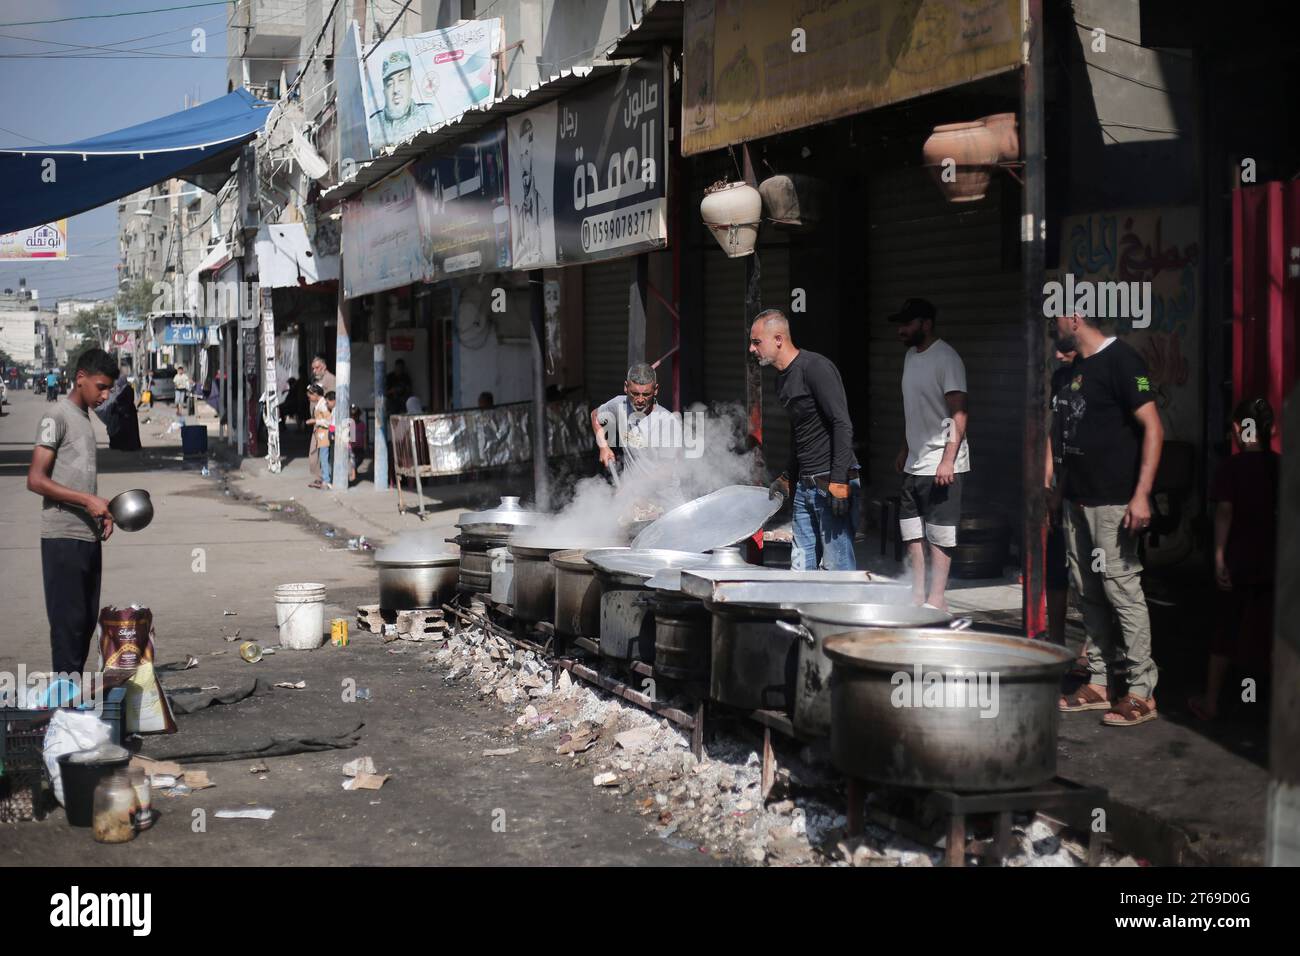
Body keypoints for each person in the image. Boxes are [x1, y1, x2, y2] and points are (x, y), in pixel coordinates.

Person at [1053, 309, 1164, 727]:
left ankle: (1141, 691)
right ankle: (1100, 682)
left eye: (1055, 317)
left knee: (1122, 590)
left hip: (1115, 501)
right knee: (1089, 593)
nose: (1052, 326)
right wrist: (1058, 491)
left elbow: (1153, 426)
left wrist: (1142, 495)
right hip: (1076, 502)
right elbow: (1063, 433)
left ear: (1076, 317)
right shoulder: (1074, 370)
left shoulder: (1123, 361)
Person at [27, 348, 119, 675]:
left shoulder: (83, 420)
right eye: (100, 386)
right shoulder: (58, 416)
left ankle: (72, 709)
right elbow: (35, 479)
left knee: (82, 627)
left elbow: (78, 482)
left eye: (109, 388)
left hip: (86, 537)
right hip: (62, 539)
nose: (105, 395)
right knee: (67, 631)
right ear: (81, 379)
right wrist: (86, 501)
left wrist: (100, 511)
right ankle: (64, 715)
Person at [1188, 398, 1279, 721]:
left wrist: (1218, 556)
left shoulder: (1231, 468)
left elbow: (1225, 512)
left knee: (1227, 630)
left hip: (1240, 560)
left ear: (1239, 429)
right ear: (1272, 429)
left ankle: (1212, 702)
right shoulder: (1279, 465)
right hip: (1274, 563)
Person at [752, 310, 860, 572]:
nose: (752, 349)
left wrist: (838, 480)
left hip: (831, 482)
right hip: (805, 486)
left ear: (778, 338)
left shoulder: (815, 368)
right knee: (801, 567)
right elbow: (800, 433)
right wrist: (789, 476)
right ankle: (800, 614)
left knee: (837, 569)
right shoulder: (782, 380)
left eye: (757, 342)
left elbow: (842, 423)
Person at [890, 298, 970, 609]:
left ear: (926, 324)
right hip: (914, 461)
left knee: (940, 533)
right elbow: (915, 410)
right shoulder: (911, 357)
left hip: (942, 462)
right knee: (911, 530)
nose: (901, 330)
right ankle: (916, 594)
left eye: (907, 324)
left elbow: (959, 412)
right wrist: (904, 447)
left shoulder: (947, 358)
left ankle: (937, 599)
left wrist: (948, 459)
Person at [591, 363, 682, 499]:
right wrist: (604, 447)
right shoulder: (618, 405)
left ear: (656, 390)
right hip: (633, 501)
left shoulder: (667, 422)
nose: (640, 400)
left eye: (646, 394)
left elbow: (666, 471)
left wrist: (634, 486)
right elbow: (595, 416)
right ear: (626, 387)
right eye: (635, 394)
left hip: (665, 503)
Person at [1046, 344, 1081, 653]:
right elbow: (1054, 429)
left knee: (1087, 573)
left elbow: (1080, 445)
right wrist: (1046, 482)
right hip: (1057, 485)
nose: (1057, 355)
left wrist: (1059, 491)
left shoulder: (1094, 378)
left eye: (1064, 349)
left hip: (1083, 487)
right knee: (1056, 567)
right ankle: (1055, 641)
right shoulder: (1059, 379)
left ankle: (1091, 650)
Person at [368, 50, 441, 149]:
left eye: (401, 80)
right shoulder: (373, 125)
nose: (396, 89)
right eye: (389, 84)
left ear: (410, 85)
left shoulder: (429, 114)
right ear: (384, 91)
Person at [306, 383, 327, 488]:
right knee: (316, 456)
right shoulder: (318, 404)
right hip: (318, 433)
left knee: (323, 457)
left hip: (323, 434)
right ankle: (320, 478)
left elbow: (328, 421)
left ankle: (323, 480)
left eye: (310, 396)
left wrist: (315, 420)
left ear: (315, 394)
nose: (309, 398)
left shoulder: (324, 405)